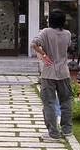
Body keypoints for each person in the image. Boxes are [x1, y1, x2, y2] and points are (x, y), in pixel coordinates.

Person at [32, 9, 74, 141]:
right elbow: (69, 47)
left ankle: (53, 133)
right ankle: (67, 130)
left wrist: (44, 55)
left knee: (49, 103)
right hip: (64, 73)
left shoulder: (45, 32)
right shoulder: (67, 34)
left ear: (50, 20)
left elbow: (34, 44)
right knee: (66, 101)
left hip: (48, 72)